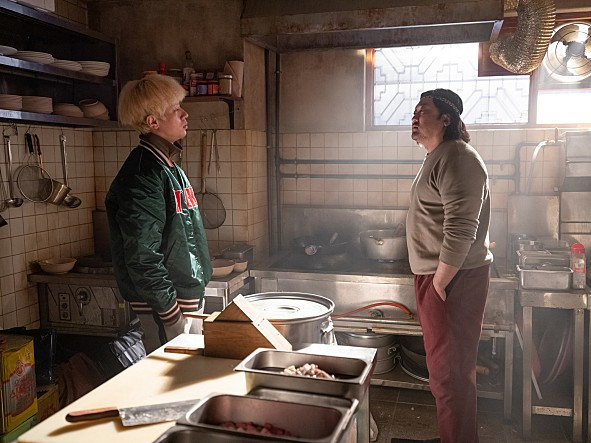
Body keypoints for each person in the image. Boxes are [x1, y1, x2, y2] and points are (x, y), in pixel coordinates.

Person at [406, 88, 492, 443]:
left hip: (452, 281)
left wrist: (440, 283)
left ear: (446, 119)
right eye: (414, 111)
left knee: (450, 377)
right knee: (447, 375)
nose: (414, 116)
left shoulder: (457, 156)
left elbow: (461, 228)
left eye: (422, 110)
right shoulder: (439, 156)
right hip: (441, 278)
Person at [106, 74, 212, 354]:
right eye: (176, 109)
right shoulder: (143, 175)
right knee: (174, 377)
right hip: (167, 308)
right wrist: (171, 314)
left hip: (180, 302)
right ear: (153, 122)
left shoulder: (168, 167)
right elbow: (142, 255)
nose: (185, 114)